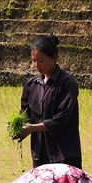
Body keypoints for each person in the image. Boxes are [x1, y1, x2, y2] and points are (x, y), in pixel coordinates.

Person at [17, 35, 82, 169]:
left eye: (41, 60)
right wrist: (18, 126)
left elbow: (62, 118)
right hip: (39, 153)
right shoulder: (31, 84)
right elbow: (25, 113)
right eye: (33, 61)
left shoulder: (67, 84)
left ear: (54, 57)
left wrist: (32, 128)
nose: (36, 65)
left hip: (64, 154)